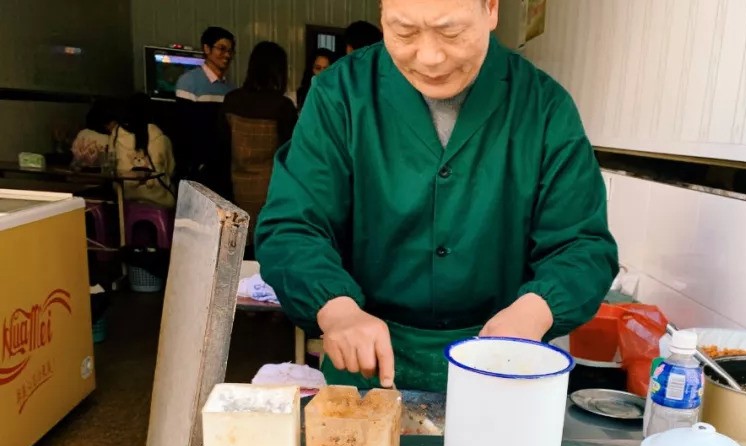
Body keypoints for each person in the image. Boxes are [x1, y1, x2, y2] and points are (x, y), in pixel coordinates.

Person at [256, 0, 618, 393]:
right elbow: (291, 225)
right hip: (365, 364)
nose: (429, 58)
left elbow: (583, 245)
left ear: (491, 9)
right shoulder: (340, 94)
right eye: (404, 31)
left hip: (501, 365)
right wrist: (335, 309)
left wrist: (534, 311)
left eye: (450, 32)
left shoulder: (544, 107)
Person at [217, 41, 298, 245]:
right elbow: (293, 156)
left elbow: (220, 150)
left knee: (238, 254)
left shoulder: (232, 100)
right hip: (271, 195)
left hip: (234, 192)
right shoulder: (282, 106)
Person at [73, 96, 176, 208]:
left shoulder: (116, 135)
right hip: (159, 200)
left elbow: (111, 164)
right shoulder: (161, 138)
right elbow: (170, 170)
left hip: (125, 197)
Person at [175, 26, 237, 186]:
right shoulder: (188, 82)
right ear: (207, 49)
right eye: (222, 49)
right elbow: (184, 130)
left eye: (231, 51)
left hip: (222, 169)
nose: (227, 55)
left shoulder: (230, 90)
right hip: (196, 170)